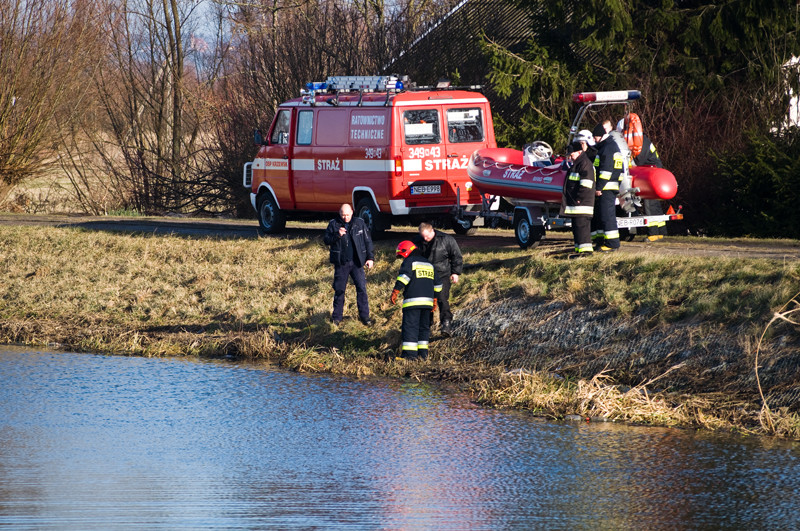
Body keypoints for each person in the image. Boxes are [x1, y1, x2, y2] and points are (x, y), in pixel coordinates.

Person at [322, 203, 374, 326]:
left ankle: (365, 317)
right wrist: (337, 235)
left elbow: (368, 241)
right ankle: (337, 318)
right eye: (343, 215)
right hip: (341, 263)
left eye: (348, 215)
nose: (345, 217)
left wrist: (370, 258)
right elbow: (326, 240)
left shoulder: (360, 223)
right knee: (339, 290)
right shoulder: (333, 224)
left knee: (362, 288)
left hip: (357, 263)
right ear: (340, 214)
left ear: (352, 212)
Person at [389, 241, 442, 360]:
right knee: (423, 328)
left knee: (410, 327)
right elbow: (438, 284)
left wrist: (396, 291)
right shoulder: (429, 264)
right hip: (427, 304)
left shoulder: (409, 261)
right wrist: (434, 299)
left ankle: (409, 356)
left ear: (406, 251)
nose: (402, 259)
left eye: (401, 256)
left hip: (413, 302)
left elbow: (404, 277)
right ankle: (423, 355)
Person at [412, 222, 463, 333]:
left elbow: (456, 256)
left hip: (442, 274)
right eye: (423, 236)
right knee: (426, 301)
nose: (425, 238)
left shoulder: (446, 239)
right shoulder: (416, 241)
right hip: (424, 276)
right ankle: (426, 325)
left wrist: (455, 273)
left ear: (432, 231)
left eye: (427, 236)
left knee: (441, 298)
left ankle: (446, 323)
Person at [591, 122, 623, 251]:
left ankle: (612, 244)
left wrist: (599, 187)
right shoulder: (609, 146)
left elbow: (606, 171)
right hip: (609, 187)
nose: (594, 140)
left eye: (595, 137)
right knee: (601, 215)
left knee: (607, 215)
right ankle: (601, 241)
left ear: (600, 136)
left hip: (606, 188)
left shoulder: (607, 148)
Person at [562, 141, 596, 257]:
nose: (570, 157)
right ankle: (579, 251)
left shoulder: (584, 164)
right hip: (578, 205)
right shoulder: (578, 163)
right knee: (577, 228)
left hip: (582, 204)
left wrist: (578, 199)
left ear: (579, 152)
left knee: (582, 229)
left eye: (572, 154)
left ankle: (585, 253)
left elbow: (586, 184)